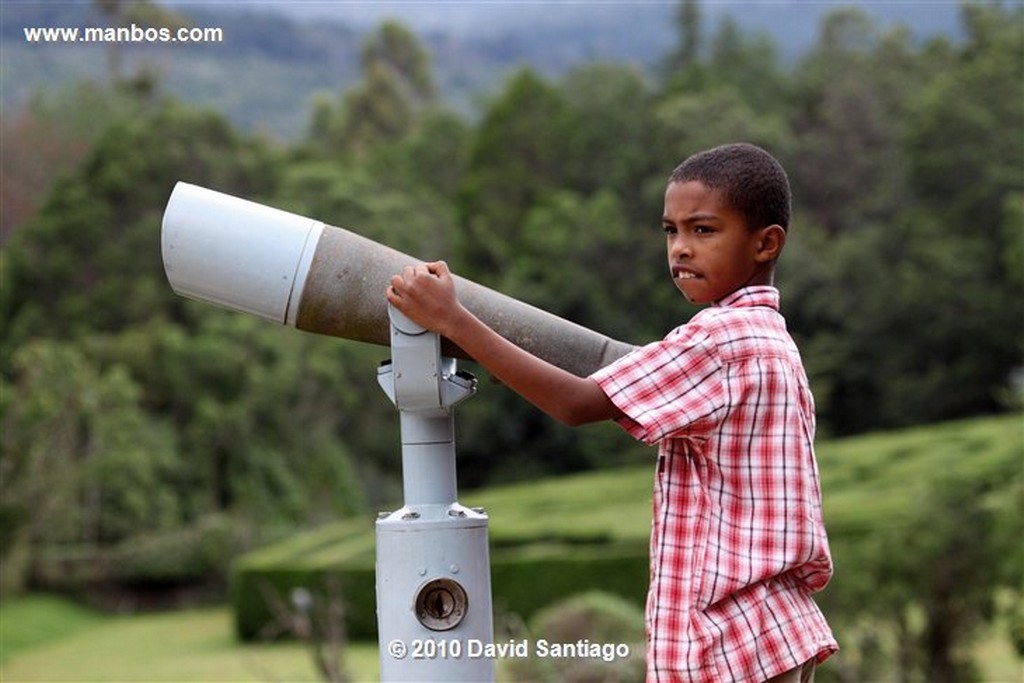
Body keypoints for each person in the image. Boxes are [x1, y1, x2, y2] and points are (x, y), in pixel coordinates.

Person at [386, 142, 838, 682]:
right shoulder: (771, 341)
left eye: (704, 230)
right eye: (671, 231)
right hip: (772, 632)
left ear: (766, 243)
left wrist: (455, 321)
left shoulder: (718, 340)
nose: (681, 249)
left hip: (729, 641)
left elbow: (576, 403)